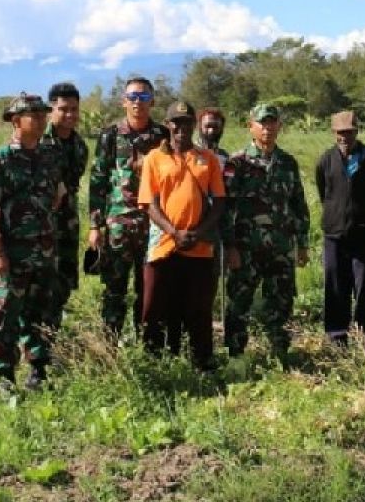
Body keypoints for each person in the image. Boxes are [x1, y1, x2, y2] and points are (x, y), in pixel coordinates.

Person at [0, 93, 65, 391]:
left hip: (44, 251)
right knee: (3, 315)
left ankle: (38, 373)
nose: (41, 120)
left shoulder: (49, 156)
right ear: (16, 121)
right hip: (12, 252)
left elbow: (58, 196)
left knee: (41, 313)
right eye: (34, 115)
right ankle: (4, 377)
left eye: (43, 115)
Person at [138, 100, 227, 369]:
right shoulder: (154, 158)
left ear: (193, 126)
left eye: (187, 123)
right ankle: (153, 363)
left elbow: (219, 201)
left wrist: (198, 232)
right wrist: (173, 231)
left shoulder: (207, 159)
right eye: (176, 123)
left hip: (199, 247)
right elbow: (149, 203)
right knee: (154, 307)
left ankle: (202, 362)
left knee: (198, 309)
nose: (181, 129)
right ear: (168, 126)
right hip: (164, 244)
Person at [222, 103, 310, 358]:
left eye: (272, 123)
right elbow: (227, 209)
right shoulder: (237, 163)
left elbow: (298, 204)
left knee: (281, 302)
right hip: (247, 248)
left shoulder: (287, 162)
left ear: (279, 126)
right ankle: (235, 356)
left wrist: (302, 244)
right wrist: (230, 247)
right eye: (262, 123)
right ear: (251, 126)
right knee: (239, 303)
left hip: (281, 248)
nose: (267, 128)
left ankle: (280, 353)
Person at [87, 77, 170, 341]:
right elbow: (98, 180)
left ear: (152, 102)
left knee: (149, 288)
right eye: (133, 97)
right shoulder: (110, 135)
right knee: (115, 289)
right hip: (118, 225)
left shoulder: (162, 137)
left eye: (143, 98)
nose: (138, 103)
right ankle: (109, 346)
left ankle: (146, 345)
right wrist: (94, 226)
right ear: (124, 101)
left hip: (154, 224)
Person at [315, 110, 365, 345]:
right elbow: (324, 191)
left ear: (357, 131)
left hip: (364, 236)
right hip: (334, 236)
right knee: (335, 287)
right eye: (340, 132)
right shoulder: (326, 159)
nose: (345, 137)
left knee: (363, 289)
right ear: (334, 133)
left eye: (349, 132)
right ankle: (337, 339)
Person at [40, 82, 89, 322]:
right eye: (63, 109)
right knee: (40, 287)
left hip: (67, 226)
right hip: (40, 227)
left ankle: (52, 339)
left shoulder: (80, 147)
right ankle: (36, 345)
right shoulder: (38, 142)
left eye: (74, 109)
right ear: (51, 110)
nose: (70, 114)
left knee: (63, 285)